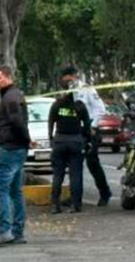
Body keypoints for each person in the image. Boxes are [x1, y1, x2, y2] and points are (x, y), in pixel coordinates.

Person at [0, 66, 30, 248]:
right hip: (15, 148)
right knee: (15, 191)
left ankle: (4, 231)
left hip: (8, 149)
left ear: (9, 77)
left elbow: (17, 122)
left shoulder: (10, 97)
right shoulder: (13, 95)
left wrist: (25, 140)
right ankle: (17, 232)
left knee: (1, 190)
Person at [60, 66, 112, 206]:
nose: (65, 81)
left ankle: (105, 193)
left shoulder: (87, 90)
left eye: (67, 78)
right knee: (74, 164)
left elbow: (100, 109)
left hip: (90, 130)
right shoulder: (67, 92)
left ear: (72, 76)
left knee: (92, 163)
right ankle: (75, 197)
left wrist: (93, 126)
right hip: (76, 130)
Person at [48, 72, 91, 214]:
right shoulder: (80, 106)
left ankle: (55, 205)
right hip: (75, 141)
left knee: (58, 174)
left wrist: (51, 140)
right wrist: (86, 139)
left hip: (60, 141)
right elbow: (87, 125)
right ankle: (75, 205)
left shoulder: (57, 104)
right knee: (75, 175)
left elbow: (51, 123)